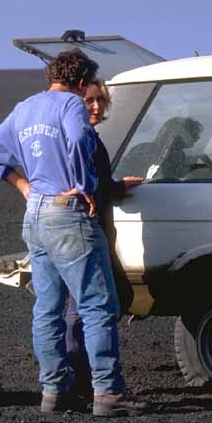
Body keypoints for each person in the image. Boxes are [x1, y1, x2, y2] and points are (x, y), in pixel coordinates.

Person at [0, 50, 147, 417]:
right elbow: (80, 139)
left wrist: (23, 185)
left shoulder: (24, 109)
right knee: (98, 305)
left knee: (47, 308)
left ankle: (54, 391)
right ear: (83, 82)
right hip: (67, 214)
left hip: (35, 212)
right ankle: (108, 393)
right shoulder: (71, 105)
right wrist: (85, 184)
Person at [65, 80, 143, 399]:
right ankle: (81, 381)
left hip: (95, 232)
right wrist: (117, 187)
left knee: (104, 299)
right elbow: (86, 187)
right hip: (84, 232)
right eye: (89, 101)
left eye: (100, 100)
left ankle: (76, 380)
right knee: (82, 307)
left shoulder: (89, 138)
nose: (96, 106)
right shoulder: (80, 140)